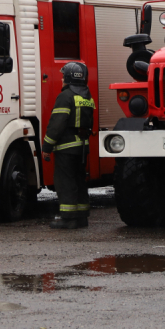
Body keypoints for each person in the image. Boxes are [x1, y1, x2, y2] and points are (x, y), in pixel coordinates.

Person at [42, 61, 95, 229]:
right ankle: (81, 217)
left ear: (68, 78)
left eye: (63, 77)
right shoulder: (87, 96)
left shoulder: (65, 96)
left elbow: (57, 124)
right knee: (79, 180)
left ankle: (68, 218)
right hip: (82, 148)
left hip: (66, 148)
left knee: (65, 182)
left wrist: (46, 147)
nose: (61, 80)